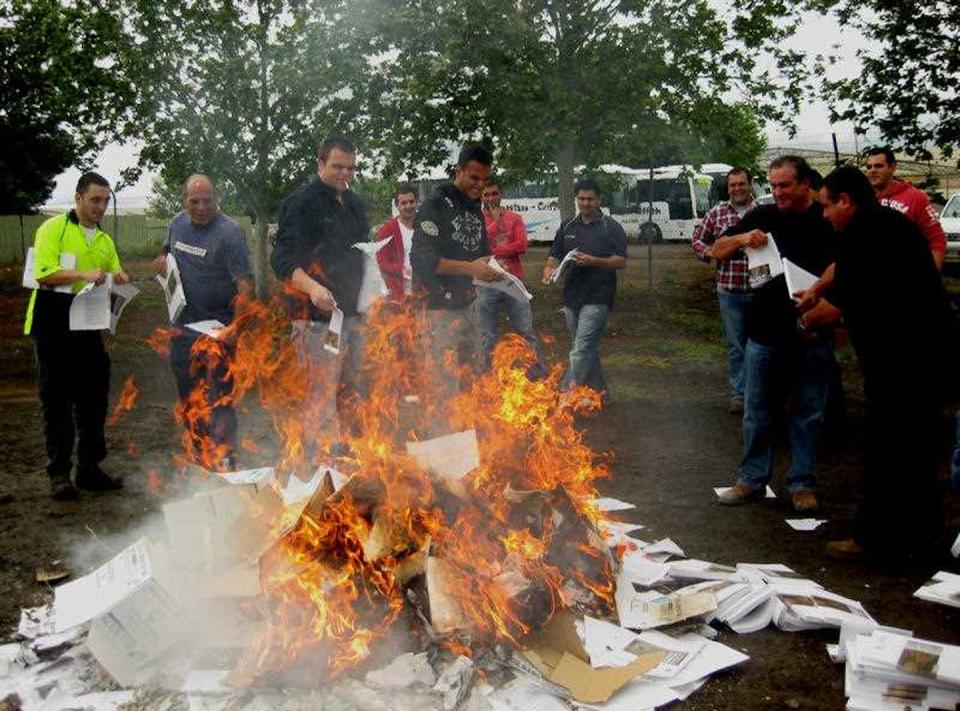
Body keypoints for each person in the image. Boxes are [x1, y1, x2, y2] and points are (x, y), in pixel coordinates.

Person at [801, 166, 955, 560]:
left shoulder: (862, 234)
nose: (824, 215)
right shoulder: (887, 223)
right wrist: (818, 285)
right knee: (918, 449)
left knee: (887, 450)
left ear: (845, 201)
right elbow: (844, 272)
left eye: (826, 206)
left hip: (903, 361)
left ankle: (874, 539)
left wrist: (803, 317)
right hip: (930, 356)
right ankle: (923, 536)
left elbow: (834, 309)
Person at [716, 156, 835, 513]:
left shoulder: (824, 218)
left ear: (804, 184)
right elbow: (717, 250)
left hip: (811, 330)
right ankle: (751, 479)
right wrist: (741, 237)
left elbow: (844, 264)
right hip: (764, 331)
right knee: (756, 410)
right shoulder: (763, 215)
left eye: (784, 185)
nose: (777, 192)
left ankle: (801, 483)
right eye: (773, 186)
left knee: (808, 410)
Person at [24, 172, 130, 499]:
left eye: (105, 201)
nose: (100, 206)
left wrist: (120, 277)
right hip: (52, 327)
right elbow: (43, 274)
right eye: (95, 199)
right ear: (79, 197)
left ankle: (88, 469)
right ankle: (59, 474)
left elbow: (114, 272)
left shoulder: (103, 240)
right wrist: (85, 274)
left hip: (87, 327)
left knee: (94, 400)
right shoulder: (52, 229)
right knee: (56, 402)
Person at [270, 135, 369, 459]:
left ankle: (349, 459)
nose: (345, 174)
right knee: (321, 396)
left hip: (354, 315)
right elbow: (282, 260)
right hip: (315, 321)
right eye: (338, 166)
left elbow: (361, 254)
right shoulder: (301, 203)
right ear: (320, 164)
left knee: (354, 390)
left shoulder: (354, 204)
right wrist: (313, 288)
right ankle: (318, 466)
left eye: (351, 168)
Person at [153, 175, 254, 470]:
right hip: (182, 329)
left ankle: (225, 458)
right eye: (193, 201)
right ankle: (200, 454)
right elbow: (165, 255)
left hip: (217, 331)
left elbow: (246, 287)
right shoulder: (176, 224)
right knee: (189, 396)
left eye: (206, 201)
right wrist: (160, 261)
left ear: (216, 198)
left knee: (219, 399)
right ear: (184, 199)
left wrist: (236, 327)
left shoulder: (229, 232)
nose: (200, 207)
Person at [410, 143, 503, 430]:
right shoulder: (434, 205)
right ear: (458, 170)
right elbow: (423, 261)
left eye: (485, 179)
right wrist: (471, 268)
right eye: (473, 178)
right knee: (443, 384)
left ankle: (467, 437)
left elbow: (479, 249)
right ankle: (442, 452)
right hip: (438, 309)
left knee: (472, 376)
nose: (479, 186)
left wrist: (492, 266)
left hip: (469, 303)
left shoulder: (475, 205)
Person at [541, 179, 627, 398]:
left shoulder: (611, 227)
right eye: (582, 198)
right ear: (577, 199)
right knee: (586, 348)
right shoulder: (567, 226)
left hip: (599, 296)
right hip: (572, 297)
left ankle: (564, 395)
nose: (586, 203)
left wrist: (594, 261)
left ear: (599, 200)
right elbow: (554, 255)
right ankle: (600, 392)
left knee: (581, 348)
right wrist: (549, 269)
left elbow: (621, 261)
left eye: (590, 199)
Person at [691, 167, 756, 414]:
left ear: (750, 185)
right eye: (733, 185)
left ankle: (760, 393)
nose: (737, 189)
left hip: (760, 290)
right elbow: (697, 238)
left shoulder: (762, 211)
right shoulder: (717, 213)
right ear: (728, 188)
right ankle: (739, 395)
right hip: (729, 290)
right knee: (736, 345)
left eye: (742, 184)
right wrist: (708, 252)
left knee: (760, 345)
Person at [477, 179, 546, 376]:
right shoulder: (477, 221)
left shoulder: (514, 218)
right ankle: (487, 380)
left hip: (513, 279)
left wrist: (496, 250)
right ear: (481, 196)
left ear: (500, 194)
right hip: (486, 282)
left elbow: (521, 246)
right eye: (486, 194)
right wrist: (495, 224)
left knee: (524, 331)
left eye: (494, 194)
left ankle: (537, 375)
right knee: (488, 336)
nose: (491, 198)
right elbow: (479, 249)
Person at [864, 146, 946, 270]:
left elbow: (936, 239)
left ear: (893, 167)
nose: (872, 170)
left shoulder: (916, 197)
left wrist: (932, 279)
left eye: (878, 166)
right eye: (869, 167)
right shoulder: (863, 199)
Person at [376, 183, 418, 304]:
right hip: (399, 294)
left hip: (423, 294)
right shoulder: (387, 230)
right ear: (397, 206)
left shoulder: (424, 226)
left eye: (411, 201)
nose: (408, 206)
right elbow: (381, 262)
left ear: (417, 202)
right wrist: (401, 270)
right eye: (403, 203)